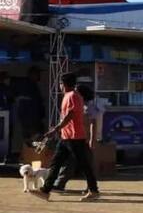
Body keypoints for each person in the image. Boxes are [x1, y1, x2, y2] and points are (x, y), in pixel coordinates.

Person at [30, 73, 100, 202]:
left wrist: (56, 128)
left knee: (84, 164)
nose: (60, 86)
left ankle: (93, 190)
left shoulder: (73, 96)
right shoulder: (69, 96)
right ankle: (46, 190)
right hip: (66, 136)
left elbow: (70, 115)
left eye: (61, 83)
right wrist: (58, 129)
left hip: (74, 136)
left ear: (64, 84)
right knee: (56, 163)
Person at [51, 84, 102, 191]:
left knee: (87, 163)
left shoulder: (89, 106)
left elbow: (93, 123)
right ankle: (60, 183)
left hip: (85, 138)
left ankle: (91, 187)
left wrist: (92, 140)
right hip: (72, 137)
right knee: (69, 161)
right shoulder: (74, 103)